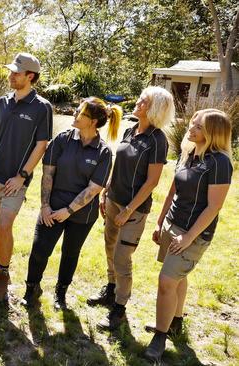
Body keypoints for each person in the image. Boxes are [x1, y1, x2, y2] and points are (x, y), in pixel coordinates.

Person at [144, 109, 233, 361]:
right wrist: (161, 221)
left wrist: (189, 237)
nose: (190, 130)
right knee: (177, 278)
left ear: (213, 133)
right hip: (172, 224)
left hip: (192, 233)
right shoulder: (190, 152)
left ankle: (159, 338)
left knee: (166, 282)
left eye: (198, 127)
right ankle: (175, 323)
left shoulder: (220, 163)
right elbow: (174, 188)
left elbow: (214, 206)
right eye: (192, 125)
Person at [24, 97, 120, 309]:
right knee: (40, 249)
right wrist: (45, 207)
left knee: (70, 253)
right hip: (52, 207)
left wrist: (68, 211)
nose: (75, 115)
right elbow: (47, 173)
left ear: (93, 121)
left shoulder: (103, 152)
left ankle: (61, 293)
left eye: (81, 113)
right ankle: (31, 289)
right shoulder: (62, 140)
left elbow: (94, 188)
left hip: (81, 215)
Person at [92, 86, 175, 330]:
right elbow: (118, 165)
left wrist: (129, 209)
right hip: (113, 199)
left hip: (134, 209)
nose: (138, 102)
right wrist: (105, 191)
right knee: (109, 248)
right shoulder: (130, 130)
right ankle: (110, 289)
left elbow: (152, 181)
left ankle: (119, 307)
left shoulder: (158, 140)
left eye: (144, 101)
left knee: (122, 257)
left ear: (155, 108)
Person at [0, 52, 52, 303]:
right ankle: (0, 269)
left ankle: (3, 277)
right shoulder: (2, 102)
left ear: (30, 76)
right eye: (11, 71)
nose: (11, 76)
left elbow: (41, 144)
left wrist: (22, 176)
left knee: (4, 225)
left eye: (16, 73)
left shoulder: (42, 107)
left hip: (16, 179)